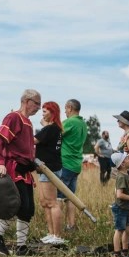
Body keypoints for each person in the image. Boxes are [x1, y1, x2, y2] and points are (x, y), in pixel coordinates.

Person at [0, 89, 41, 256]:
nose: (38, 107)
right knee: (15, 205)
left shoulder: (28, 123)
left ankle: (21, 247)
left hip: (24, 170)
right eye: (36, 103)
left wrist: (31, 163)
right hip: (13, 167)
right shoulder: (13, 118)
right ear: (26, 101)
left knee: (28, 209)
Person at [34, 101, 65, 246]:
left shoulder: (51, 129)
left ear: (53, 112)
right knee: (44, 202)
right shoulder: (54, 129)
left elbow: (33, 140)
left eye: (45, 111)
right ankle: (51, 233)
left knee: (52, 202)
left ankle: (57, 235)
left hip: (50, 168)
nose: (42, 114)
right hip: (45, 167)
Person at [57, 99, 87, 232]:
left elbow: (55, 133)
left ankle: (55, 228)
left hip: (65, 162)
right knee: (70, 197)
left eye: (65, 108)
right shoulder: (82, 124)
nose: (64, 111)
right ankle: (71, 225)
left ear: (70, 107)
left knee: (58, 197)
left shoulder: (70, 122)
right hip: (76, 164)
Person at [109, 152, 129, 257]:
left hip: (125, 208)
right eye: (127, 158)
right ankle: (117, 255)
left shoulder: (128, 174)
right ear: (122, 164)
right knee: (119, 230)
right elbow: (119, 195)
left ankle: (125, 252)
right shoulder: (121, 177)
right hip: (120, 208)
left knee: (127, 230)